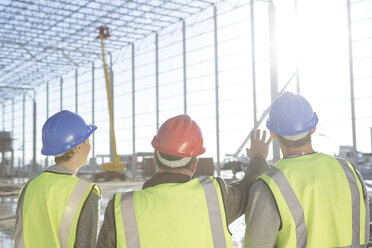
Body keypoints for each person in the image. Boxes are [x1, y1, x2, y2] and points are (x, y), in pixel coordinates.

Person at [97, 114, 272, 248]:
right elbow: (249, 185)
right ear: (194, 164)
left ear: (155, 157)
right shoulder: (215, 197)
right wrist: (258, 157)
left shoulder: (122, 208)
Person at [244, 92, 369, 247]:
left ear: (273, 133)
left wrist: (257, 160)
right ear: (313, 128)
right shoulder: (350, 173)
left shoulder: (268, 186)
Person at [13, 110, 101, 248]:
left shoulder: (28, 188)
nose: (90, 146)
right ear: (78, 147)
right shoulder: (86, 193)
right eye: (88, 141)